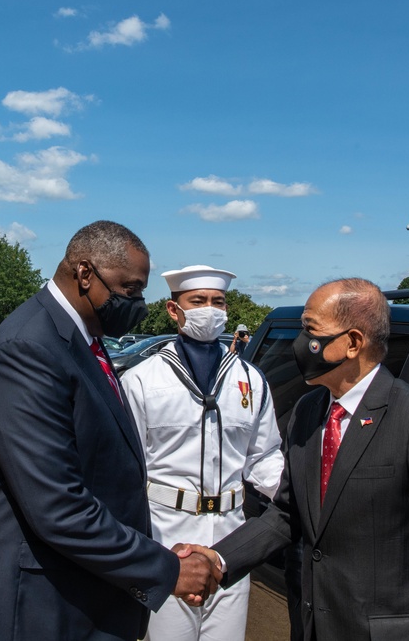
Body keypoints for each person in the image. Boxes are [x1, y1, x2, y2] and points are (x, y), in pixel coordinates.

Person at [0, 221, 222, 641]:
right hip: (30, 605)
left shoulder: (80, 336)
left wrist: (151, 550)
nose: (138, 303)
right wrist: (165, 569)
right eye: (130, 289)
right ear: (85, 274)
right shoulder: (28, 349)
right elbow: (58, 506)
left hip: (76, 592)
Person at [210, 278, 409, 640]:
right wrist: (217, 560)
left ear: (353, 343)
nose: (301, 343)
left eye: (310, 330)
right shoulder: (308, 411)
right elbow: (287, 514)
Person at [121, 265, 283, 641]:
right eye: (198, 301)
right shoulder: (143, 379)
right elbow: (129, 469)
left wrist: (307, 497)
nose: (209, 309)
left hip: (231, 537)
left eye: (217, 301)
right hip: (166, 536)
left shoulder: (249, 379)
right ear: (174, 310)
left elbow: (264, 456)